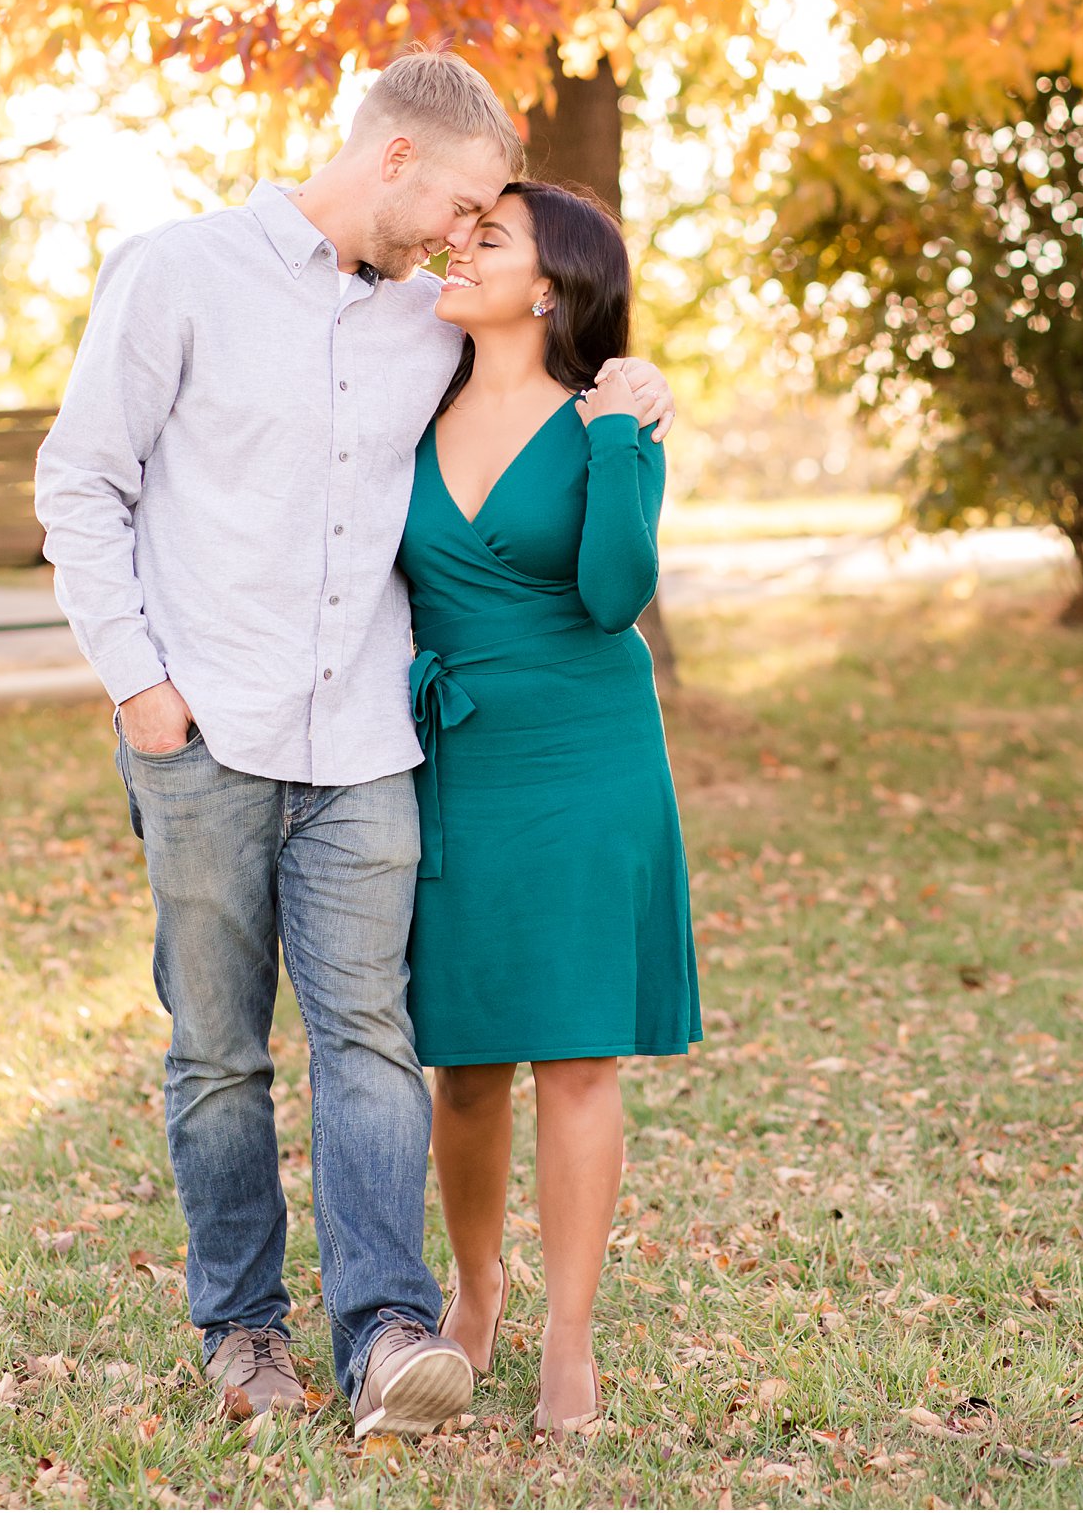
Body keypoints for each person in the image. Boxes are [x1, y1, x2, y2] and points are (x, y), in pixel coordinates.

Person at [32, 48, 675, 1438]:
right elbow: (81, 481)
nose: (463, 234)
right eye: (459, 202)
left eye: (482, 223)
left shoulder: (426, 319)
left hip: (370, 745)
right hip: (201, 735)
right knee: (216, 1052)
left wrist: (640, 390)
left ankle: (387, 1333)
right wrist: (139, 686)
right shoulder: (176, 272)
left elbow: (555, 356)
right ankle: (246, 1334)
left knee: (375, 1037)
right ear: (396, 159)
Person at [398, 180, 702, 1436]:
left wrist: (626, 433)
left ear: (548, 286)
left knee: (576, 1058)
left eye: (488, 239)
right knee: (464, 1064)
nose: (455, 250)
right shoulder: (406, 400)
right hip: (454, 761)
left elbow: (614, 590)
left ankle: (567, 1343)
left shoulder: (606, 421)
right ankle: (477, 1295)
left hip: (585, 760)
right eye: (457, 232)